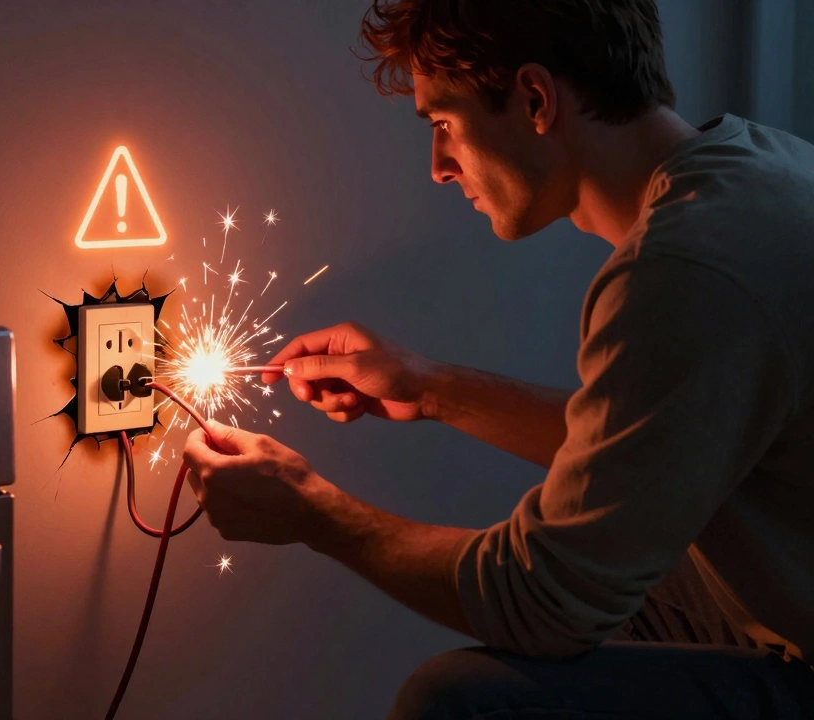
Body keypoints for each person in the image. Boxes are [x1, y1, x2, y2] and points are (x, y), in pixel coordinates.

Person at [178, 1, 814, 717]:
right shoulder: (757, 168)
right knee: (627, 557)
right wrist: (429, 389)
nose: (439, 168)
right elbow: (647, 448)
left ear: (535, 100)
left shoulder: (687, 270)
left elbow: (542, 601)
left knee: (457, 701)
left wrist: (312, 511)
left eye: (444, 126)